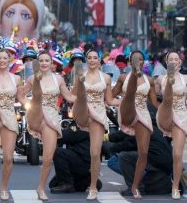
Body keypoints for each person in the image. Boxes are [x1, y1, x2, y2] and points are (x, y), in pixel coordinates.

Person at [23, 51, 76, 201]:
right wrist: (24, 102)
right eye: (41, 60)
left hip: (51, 117)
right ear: (38, 63)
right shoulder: (32, 78)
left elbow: (68, 96)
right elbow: (21, 94)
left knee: (47, 158)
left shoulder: (58, 79)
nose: (44, 63)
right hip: (36, 114)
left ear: (52, 63)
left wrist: (85, 99)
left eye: (47, 60)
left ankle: (40, 187)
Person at [111, 50, 159, 199]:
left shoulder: (149, 80)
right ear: (129, 62)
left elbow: (155, 103)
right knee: (129, 97)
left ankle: (135, 186)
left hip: (142, 114)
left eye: (140, 60)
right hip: (127, 111)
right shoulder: (122, 78)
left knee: (143, 152)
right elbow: (111, 96)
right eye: (134, 59)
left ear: (143, 63)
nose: (137, 61)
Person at [73, 48, 120, 200]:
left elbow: (110, 100)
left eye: (95, 57)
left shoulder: (106, 78)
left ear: (99, 60)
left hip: (98, 115)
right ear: (86, 60)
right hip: (82, 113)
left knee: (95, 152)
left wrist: (127, 101)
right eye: (90, 57)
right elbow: (72, 96)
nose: (92, 60)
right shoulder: (80, 76)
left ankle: (93, 186)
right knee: (81, 149)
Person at [0, 49, 25, 201]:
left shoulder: (16, 79)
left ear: (10, 61)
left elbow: (21, 98)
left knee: (8, 158)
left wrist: (34, 105)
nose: (2, 61)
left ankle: (3, 187)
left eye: (5, 58)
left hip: (9, 115)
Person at [105, 117, 177, 196]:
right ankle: (145, 181)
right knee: (117, 159)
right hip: (164, 163)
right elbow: (122, 135)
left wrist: (108, 148)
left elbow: (128, 144)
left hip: (157, 162)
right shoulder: (148, 125)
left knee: (123, 157)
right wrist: (107, 137)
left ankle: (137, 187)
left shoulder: (140, 128)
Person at [155, 50, 187, 199]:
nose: (174, 61)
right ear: (166, 63)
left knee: (177, 154)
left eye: (176, 59)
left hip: (181, 116)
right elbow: (156, 97)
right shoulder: (161, 79)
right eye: (171, 59)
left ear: (180, 62)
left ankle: (175, 186)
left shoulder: (186, 79)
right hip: (166, 114)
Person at [50, 121, 101, 193]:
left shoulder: (83, 125)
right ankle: (88, 180)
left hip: (83, 160)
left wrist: (50, 132)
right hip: (79, 160)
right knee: (53, 184)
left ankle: (66, 184)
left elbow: (66, 136)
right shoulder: (80, 124)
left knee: (58, 152)